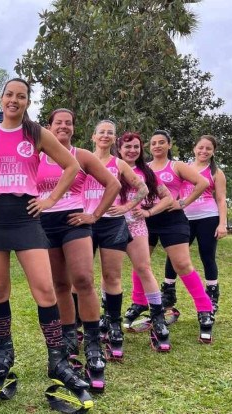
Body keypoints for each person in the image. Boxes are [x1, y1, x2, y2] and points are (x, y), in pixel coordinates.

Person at [0, 78, 93, 414]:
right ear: (1, 98)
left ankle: (57, 359)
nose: (14, 100)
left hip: (26, 217)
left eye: (21, 96)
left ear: (27, 102)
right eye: (9, 94)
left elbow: (72, 166)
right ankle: (3, 352)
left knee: (45, 290)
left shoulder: (37, 133)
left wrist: (50, 199)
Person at [37, 108, 120, 392]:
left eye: (68, 123)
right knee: (60, 285)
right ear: (48, 127)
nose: (63, 126)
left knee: (83, 280)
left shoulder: (82, 155)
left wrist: (94, 215)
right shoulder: (36, 155)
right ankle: (69, 338)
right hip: (44, 224)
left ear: (74, 128)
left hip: (75, 221)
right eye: (58, 123)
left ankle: (94, 344)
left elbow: (113, 184)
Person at [81, 120, 147, 362]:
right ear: (93, 136)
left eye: (110, 133)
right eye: (101, 132)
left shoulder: (118, 163)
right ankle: (79, 325)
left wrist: (127, 207)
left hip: (112, 224)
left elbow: (142, 188)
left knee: (112, 276)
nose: (105, 136)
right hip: (85, 222)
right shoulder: (82, 159)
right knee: (82, 277)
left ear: (114, 138)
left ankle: (114, 324)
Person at [143, 130, 215, 343]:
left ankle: (205, 310)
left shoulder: (177, 166)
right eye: (153, 143)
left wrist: (182, 202)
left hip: (172, 220)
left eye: (161, 142)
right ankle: (141, 305)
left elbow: (202, 183)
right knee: (142, 264)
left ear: (169, 145)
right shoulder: (143, 168)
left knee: (182, 264)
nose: (157, 146)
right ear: (149, 147)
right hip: (147, 219)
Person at [113, 132, 173, 352]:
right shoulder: (110, 167)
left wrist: (149, 212)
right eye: (127, 146)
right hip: (112, 226)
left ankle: (158, 319)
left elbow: (168, 197)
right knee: (112, 274)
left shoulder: (146, 172)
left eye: (136, 147)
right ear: (119, 149)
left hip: (136, 225)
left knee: (144, 269)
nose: (132, 150)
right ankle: (111, 320)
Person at [161, 135, 227, 318]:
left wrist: (222, 224)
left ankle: (211, 296)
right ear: (194, 148)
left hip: (208, 217)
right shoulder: (183, 168)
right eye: (201, 147)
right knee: (174, 257)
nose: (204, 151)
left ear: (213, 151)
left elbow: (221, 199)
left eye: (208, 148)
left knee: (207, 256)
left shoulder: (216, 172)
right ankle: (168, 293)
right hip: (183, 219)